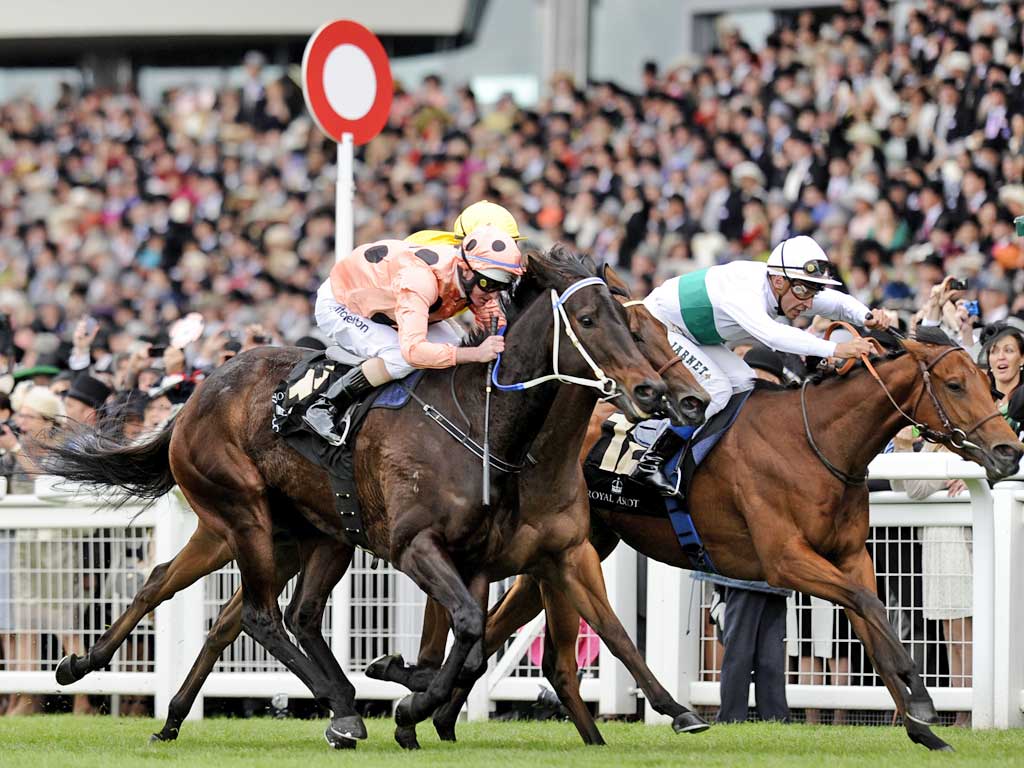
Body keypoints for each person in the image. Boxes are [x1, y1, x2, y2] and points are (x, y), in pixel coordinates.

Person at [633, 235, 890, 497]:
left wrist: (867, 317)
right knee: (719, 389)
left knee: (746, 383)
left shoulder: (786, 287)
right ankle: (652, 460)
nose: (808, 303)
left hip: (694, 334)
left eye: (814, 291)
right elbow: (773, 336)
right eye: (804, 291)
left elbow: (836, 302)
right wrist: (836, 348)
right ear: (779, 281)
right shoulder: (746, 291)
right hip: (660, 325)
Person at [303, 218, 523, 445]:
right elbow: (413, 352)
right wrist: (475, 354)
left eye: (502, 286)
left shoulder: (476, 279)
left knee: (458, 346)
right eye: (489, 284)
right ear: (466, 271)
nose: (494, 294)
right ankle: (325, 405)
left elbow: (497, 324)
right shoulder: (420, 281)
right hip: (342, 303)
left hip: (393, 306)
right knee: (400, 357)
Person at [708, 344, 792, 723]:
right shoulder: (737, 418)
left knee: (771, 648)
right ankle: (733, 717)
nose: (756, 382)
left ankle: (775, 717)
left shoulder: (773, 423)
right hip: (744, 555)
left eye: (762, 376)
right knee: (741, 646)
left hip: (771, 557)